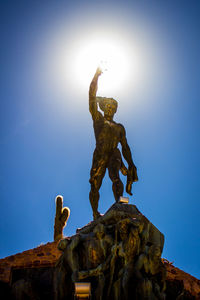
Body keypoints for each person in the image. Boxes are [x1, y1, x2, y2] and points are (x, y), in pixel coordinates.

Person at [89, 67, 138, 219]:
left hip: (114, 154)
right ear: (103, 108)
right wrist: (96, 76)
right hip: (100, 154)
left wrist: (131, 163)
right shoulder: (98, 119)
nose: (110, 109)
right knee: (95, 184)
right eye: (108, 106)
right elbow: (91, 96)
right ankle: (95, 213)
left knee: (116, 177)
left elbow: (125, 147)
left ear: (115, 110)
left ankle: (120, 202)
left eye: (113, 107)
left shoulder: (119, 127)